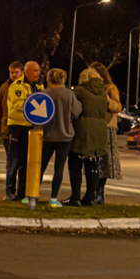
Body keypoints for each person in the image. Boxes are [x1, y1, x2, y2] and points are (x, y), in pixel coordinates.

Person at [64, 67, 109, 206]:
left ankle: (75, 197)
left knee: (75, 163)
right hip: (100, 132)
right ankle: (90, 197)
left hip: (82, 130)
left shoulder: (79, 91)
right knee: (93, 164)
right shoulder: (104, 92)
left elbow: (72, 108)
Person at [40, 68, 81, 207]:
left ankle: (32, 195)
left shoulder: (44, 94)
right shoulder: (69, 94)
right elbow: (76, 112)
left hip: (46, 135)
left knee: (40, 166)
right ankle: (53, 198)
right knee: (59, 168)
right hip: (65, 136)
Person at [5, 60, 43, 202]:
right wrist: (34, 104)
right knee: (13, 161)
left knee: (26, 163)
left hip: (31, 128)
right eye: (35, 71)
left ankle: (22, 192)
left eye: (38, 71)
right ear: (27, 71)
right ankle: (10, 191)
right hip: (18, 126)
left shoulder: (39, 87)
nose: (38, 73)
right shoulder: (17, 86)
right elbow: (18, 105)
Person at [89, 62, 122, 204]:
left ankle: (100, 192)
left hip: (107, 128)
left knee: (104, 162)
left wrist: (108, 101)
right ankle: (92, 191)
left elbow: (118, 106)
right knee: (93, 162)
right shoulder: (89, 88)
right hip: (94, 127)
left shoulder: (111, 88)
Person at [0, 61, 23, 158]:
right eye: (11, 72)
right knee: (10, 158)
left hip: (21, 129)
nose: (13, 75)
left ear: (22, 72)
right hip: (7, 130)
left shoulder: (26, 87)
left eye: (16, 72)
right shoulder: (4, 87)